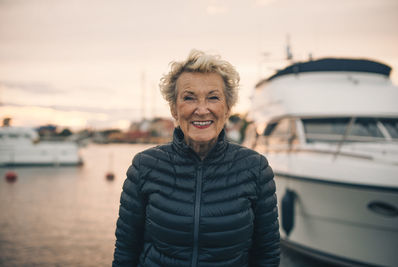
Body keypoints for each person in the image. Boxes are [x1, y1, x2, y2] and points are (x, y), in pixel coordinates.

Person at [113, 50, 280, 266]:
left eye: (213, 97)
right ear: (174, 109)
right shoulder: (145, 166)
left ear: (227, 108)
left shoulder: (255, 168)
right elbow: (125, 251)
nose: (202, 110)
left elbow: (267, 254)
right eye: (189, 98)